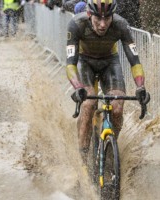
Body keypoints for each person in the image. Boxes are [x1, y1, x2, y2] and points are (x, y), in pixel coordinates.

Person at [66, 0, 149, 163]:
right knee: (89, 104)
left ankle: (110, 149)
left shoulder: (121, 25)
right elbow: (70, 64)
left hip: (109, 62)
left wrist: (141, 87)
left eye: (107, 18)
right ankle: (82, 158)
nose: (103, 25)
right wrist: (77, 88)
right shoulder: (77, 24)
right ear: (89, 15)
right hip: (85, 62)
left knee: (117, 107)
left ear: (113, 16)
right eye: (98, 19)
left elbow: (135, 61)